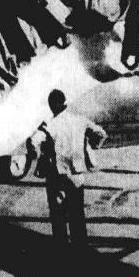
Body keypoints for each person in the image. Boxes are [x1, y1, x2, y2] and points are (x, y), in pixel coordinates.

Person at [34, 89, 107, 245]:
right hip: (77, 174)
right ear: (65, 103)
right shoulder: (80, 120)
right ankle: (80, 249)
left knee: (58, 216)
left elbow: (34, 142)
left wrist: (39, 153)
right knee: (77, 214)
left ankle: (61, 250)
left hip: (56, 175)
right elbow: (101, 134)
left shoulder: (49, 125)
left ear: (50, 105)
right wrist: (91, 146)